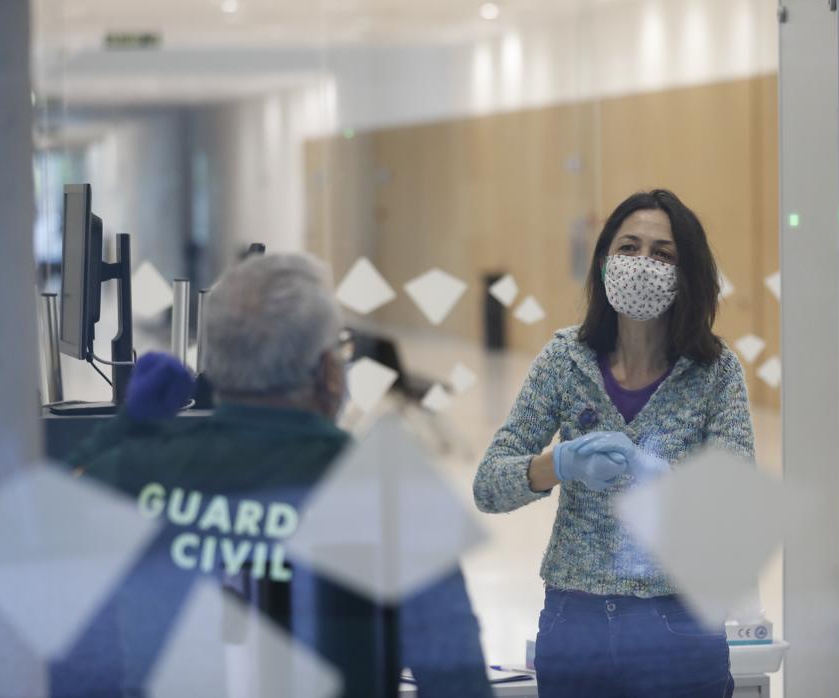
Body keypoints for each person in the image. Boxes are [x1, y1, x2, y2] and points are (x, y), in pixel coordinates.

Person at [55, 254, 492, 697]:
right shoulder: (393, 493)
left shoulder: (131, 471)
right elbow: (458, 683)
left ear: (217, 363)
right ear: (328, 373)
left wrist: (130, 422)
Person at [474, 189, 755, 697]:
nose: (642, 263)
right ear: (604, 263)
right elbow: (488, 486)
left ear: (685, 273)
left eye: (662, 253)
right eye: (628, 247)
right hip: (574, 623)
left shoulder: (715, 373)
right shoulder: (565, 360)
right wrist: (556, 464)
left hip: (679, 623)